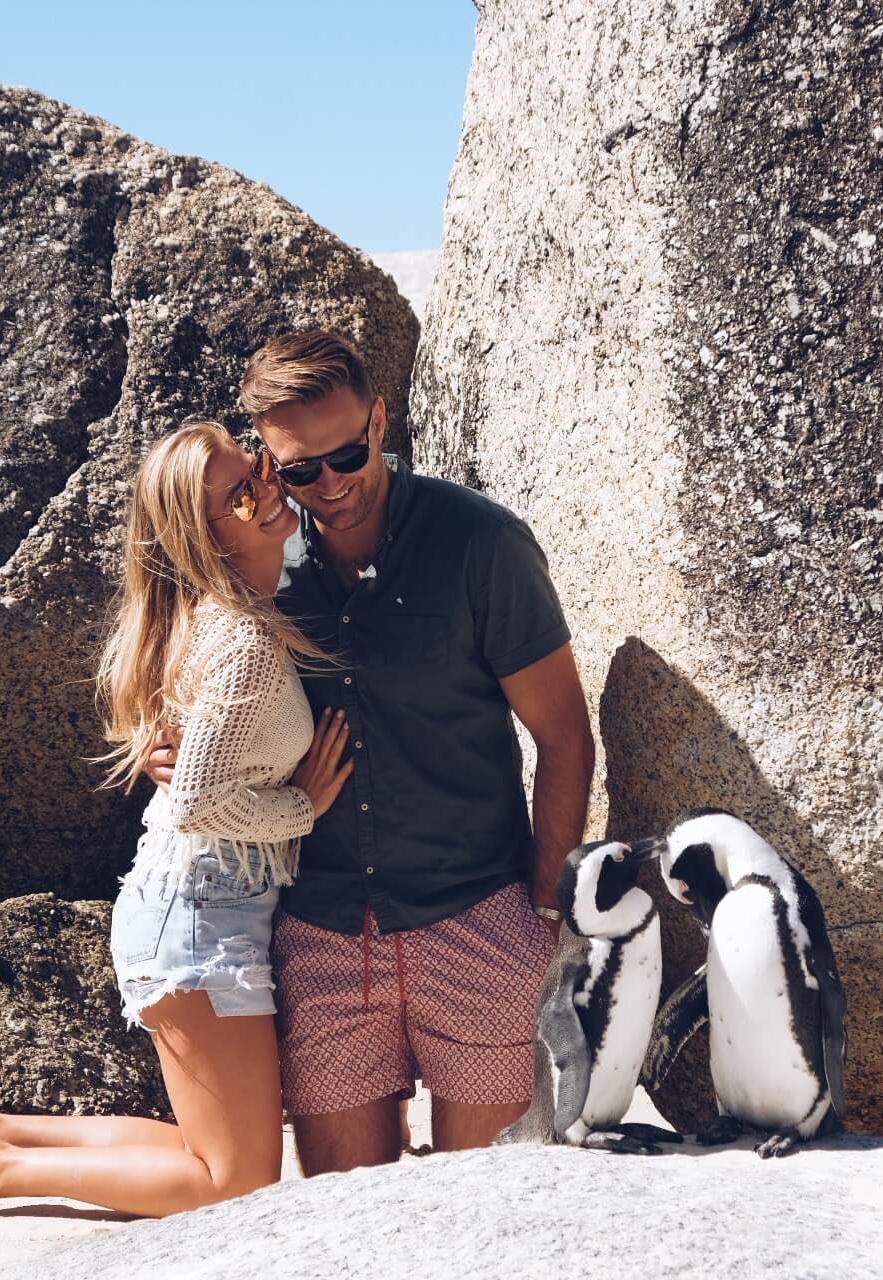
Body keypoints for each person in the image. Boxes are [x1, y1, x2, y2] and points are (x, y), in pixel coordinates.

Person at [0, 421, 352, 1220]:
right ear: (203, 537)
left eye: (261, 469)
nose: (268, 489)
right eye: (241, 493)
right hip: (200, 922)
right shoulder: (241, 640)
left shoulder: (223, 614)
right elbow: (197, 799)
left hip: (189, 909)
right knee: (233, 1183)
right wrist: (304, 805)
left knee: (216, 1155)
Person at [149, 331, 596, 1175]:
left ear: (381, 418)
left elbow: (564, 736)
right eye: (299, 470)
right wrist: (161, 748)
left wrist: (542, 916)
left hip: (478, 922)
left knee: (489, 1216)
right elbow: (169, 658)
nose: (331, 483)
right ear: (264, 462)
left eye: (348, 453)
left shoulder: (481, 545)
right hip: (317, 935)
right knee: (346, 1229)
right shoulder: (257, 560)